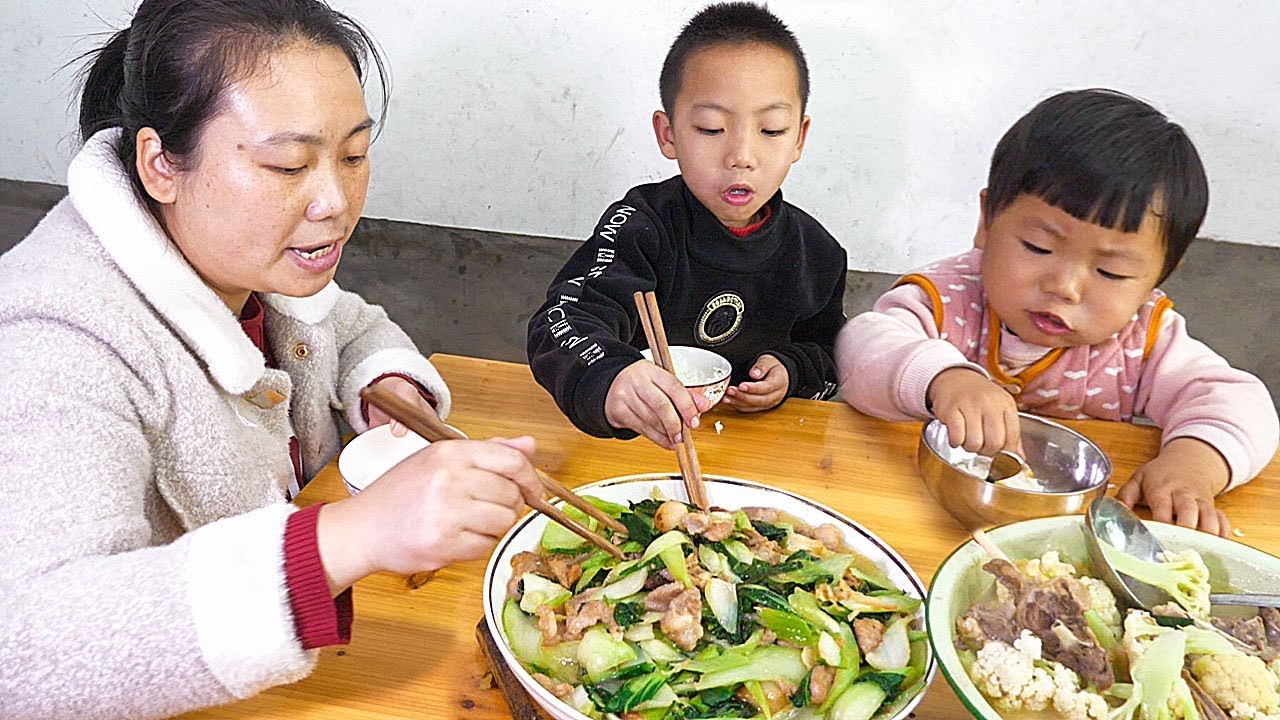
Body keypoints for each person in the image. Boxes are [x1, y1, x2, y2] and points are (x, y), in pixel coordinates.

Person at [0, 1, 542, 717]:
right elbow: (27, 650)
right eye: (288, 164)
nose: (335, 202)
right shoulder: (55, 337)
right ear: (160, 165)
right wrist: (348, 537)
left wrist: (386, 382)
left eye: (354, 155)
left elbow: (347, 323)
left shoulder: (241, 259)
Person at [837, 88, 1279, 537]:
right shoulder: (948, 299)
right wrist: (944, 379)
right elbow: (861, 349)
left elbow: (1241, 402)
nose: (1064, 287)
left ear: (1159, 275)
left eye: (1111, 271)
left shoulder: (1143, 340)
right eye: (1038, 247)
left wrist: (1194, 466)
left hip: (1069, 538)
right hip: (917, 513)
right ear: (986, 221)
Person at [526, 2, 847, 450]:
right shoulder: (641, 226)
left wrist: (792, 372)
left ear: (799, 138)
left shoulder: (818, 253)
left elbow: (831, 352)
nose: (741, 156)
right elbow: (561, 321)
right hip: (638, 445)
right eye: (711, 128)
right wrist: (613, 377)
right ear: (668, 134)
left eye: (771, 130)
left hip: (756, 450)